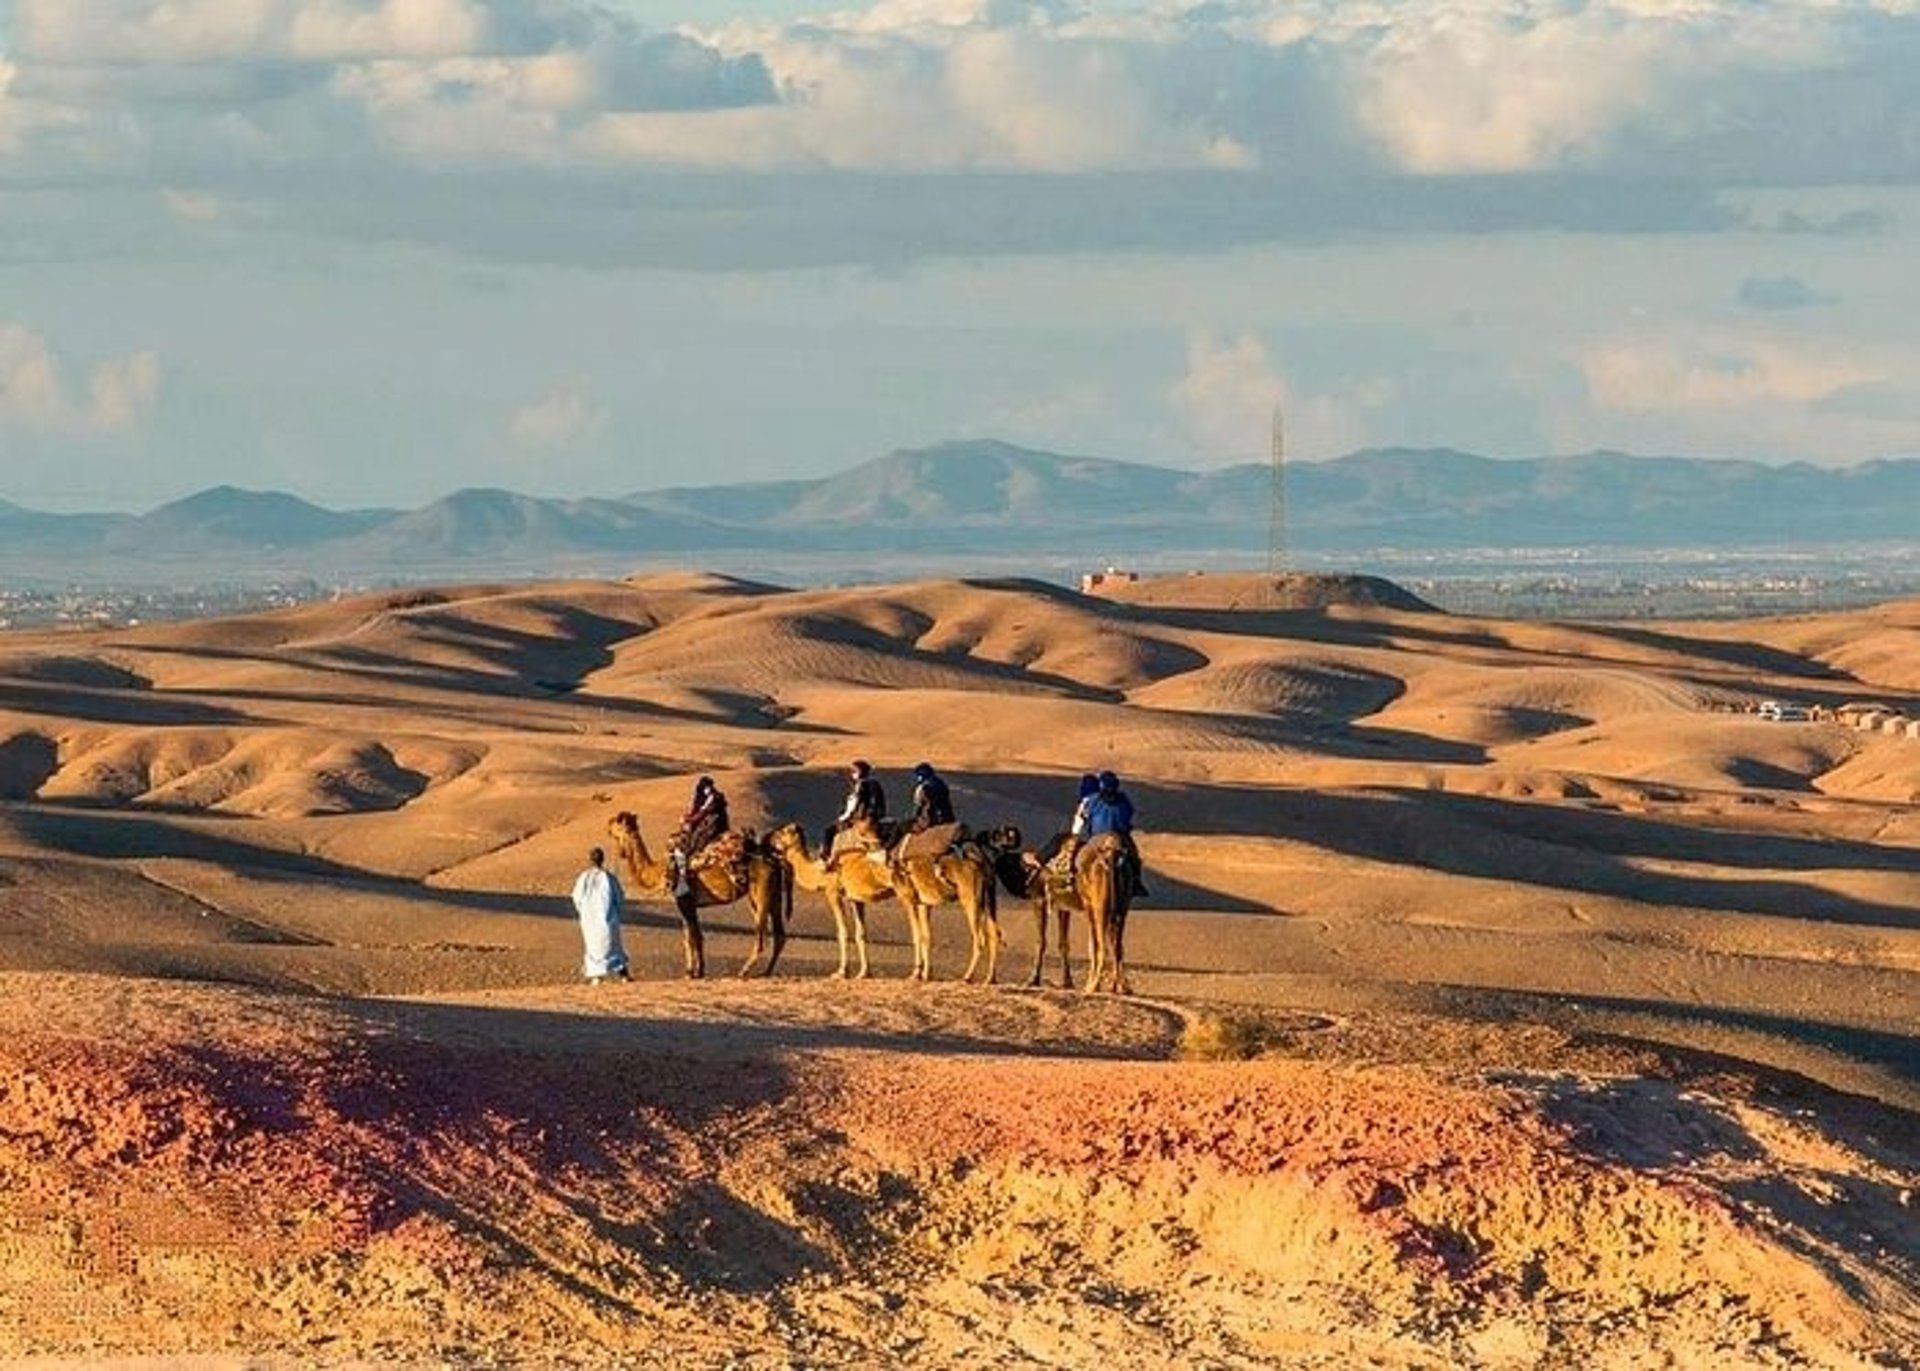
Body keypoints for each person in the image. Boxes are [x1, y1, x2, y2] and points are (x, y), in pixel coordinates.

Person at [1083, 769, 1148, 898]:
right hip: (1119, 837)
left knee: (1083, 858)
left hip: (1097, 837)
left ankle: (1077, 882)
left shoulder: (1094, 799)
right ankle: (1136, 883)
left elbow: (1087, 816)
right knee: (1134, 857)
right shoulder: (1123, 800)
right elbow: (1128, 815)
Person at [570, 846, 630, 983]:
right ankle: (620, 976)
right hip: (605, 919)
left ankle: (601, 977)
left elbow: (576, 898)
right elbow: (619, 898)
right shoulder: (608, 877)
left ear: (590, 860)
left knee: (602, 948)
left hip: (591, 920)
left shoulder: (584, 878)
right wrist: (616, 911)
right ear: (602, 859)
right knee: (611, 947)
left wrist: (584, 912)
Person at [668, 775, 729, 898]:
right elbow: (699, 810)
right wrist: (689, 818)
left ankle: (684, 882)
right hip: (710, 826)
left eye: (708, 787)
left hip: (712, 828)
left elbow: (704, 812)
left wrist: (689, 820)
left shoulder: (712, 797)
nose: (707, 789)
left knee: (687, 849)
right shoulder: (710, 796)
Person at [827, 759, 887, 855]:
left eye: (854, 771)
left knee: (829, 831)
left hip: (862, 819)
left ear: (859, 772)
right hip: (876, 817)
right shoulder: (875, 784)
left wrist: (843, 818)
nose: (852, 774)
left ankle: (826, 858)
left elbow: (854, 805)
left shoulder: (861, 785)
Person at [907, 761, 954, 832]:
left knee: (905, 827)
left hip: (930, 821)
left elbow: (917, 805)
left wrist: (914, 817)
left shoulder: (922, 788)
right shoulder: (941, 784)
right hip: (948, 818)